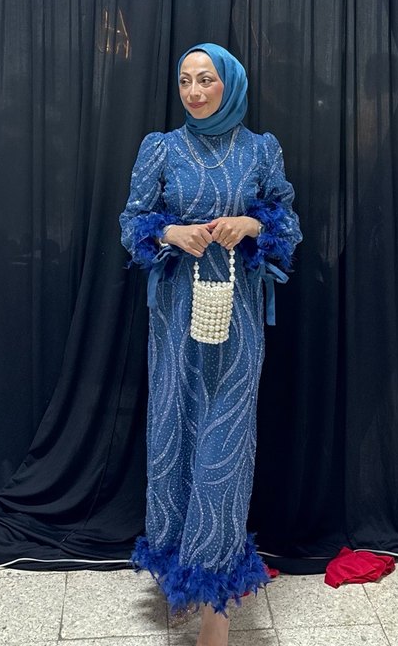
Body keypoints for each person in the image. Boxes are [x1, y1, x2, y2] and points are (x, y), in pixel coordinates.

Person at [120, 43, 302, 646]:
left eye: (206, 80)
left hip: (238, 322)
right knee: (173, 440)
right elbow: (131, 223)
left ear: (230, 84)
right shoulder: (161, 147)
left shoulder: (261, 149)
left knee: (225, 451)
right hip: (175, 319)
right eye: (185, 81)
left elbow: (288, 222)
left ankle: (215, 614)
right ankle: (179, 578)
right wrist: (171, 232)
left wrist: (252, 224)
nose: (195, 92)